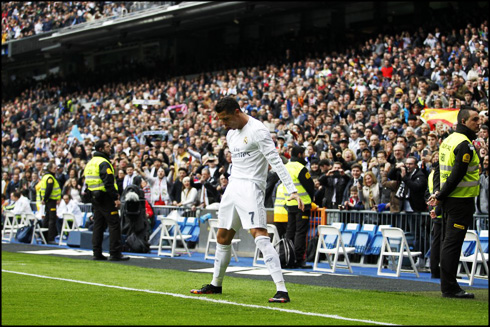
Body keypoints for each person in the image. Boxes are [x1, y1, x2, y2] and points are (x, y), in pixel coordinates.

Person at [190, 97, 304, 303]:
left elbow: (276, 162)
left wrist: (292, 190)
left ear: (236, 112)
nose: (223, 123)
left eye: (225, 119)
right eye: (220, 119)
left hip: (251, 188)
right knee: (223, 236)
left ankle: (282, 290)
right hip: (233, 187)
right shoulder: (231, 133)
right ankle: (216, 284)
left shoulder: (258, 130)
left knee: (259, 234)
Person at [428, 108, 481, 299]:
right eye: (475, 119)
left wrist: (439, 196)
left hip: (450, 200)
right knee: (452, 242)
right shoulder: (465, 144)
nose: (479, 123)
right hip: (460, 201)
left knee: (446, 242)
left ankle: (448, 284)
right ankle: (449, 287)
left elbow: (438, 171)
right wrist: (440, 196)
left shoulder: (447, 141)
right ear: (464, 121)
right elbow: (457, 175)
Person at [84, 140, 129, 261]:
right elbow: (108, 183)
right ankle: (115, 253)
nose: (110, 148)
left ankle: (97, 252)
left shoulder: (90, 163)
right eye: (108, 146)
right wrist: (115, 198)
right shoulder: (103, 163)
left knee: (98, 225)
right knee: (114, 224)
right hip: (105, 197)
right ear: (101, 149)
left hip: (95, 197)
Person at [282, 145, 315, 269]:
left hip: (289, 203)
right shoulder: (300, 168)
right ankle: (298, 259)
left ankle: (288, 257)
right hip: (302, 204)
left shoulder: (285, 167)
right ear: (300, 154)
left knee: (290, 232)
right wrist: (312, 199)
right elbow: (309, 185)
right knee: (300, 233)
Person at [426, 152, 442, 279]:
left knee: (436, 242)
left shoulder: (432, 174)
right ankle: (438, 270)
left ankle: (435, 269)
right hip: (440, 211)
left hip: (435, 209)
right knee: (441, 243)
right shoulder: (438, 174)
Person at [40, 163, 62, 243]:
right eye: (54, 167)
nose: (55, 169)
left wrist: (44, 199)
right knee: (52, 220)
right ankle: (50, 238)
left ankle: (44, 237)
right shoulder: (50, 178)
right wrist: (45, 199)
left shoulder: (45, 177)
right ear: (50, 169)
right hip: (51, 200)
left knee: (46, 218)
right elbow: (48, 189)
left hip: (48, 201)